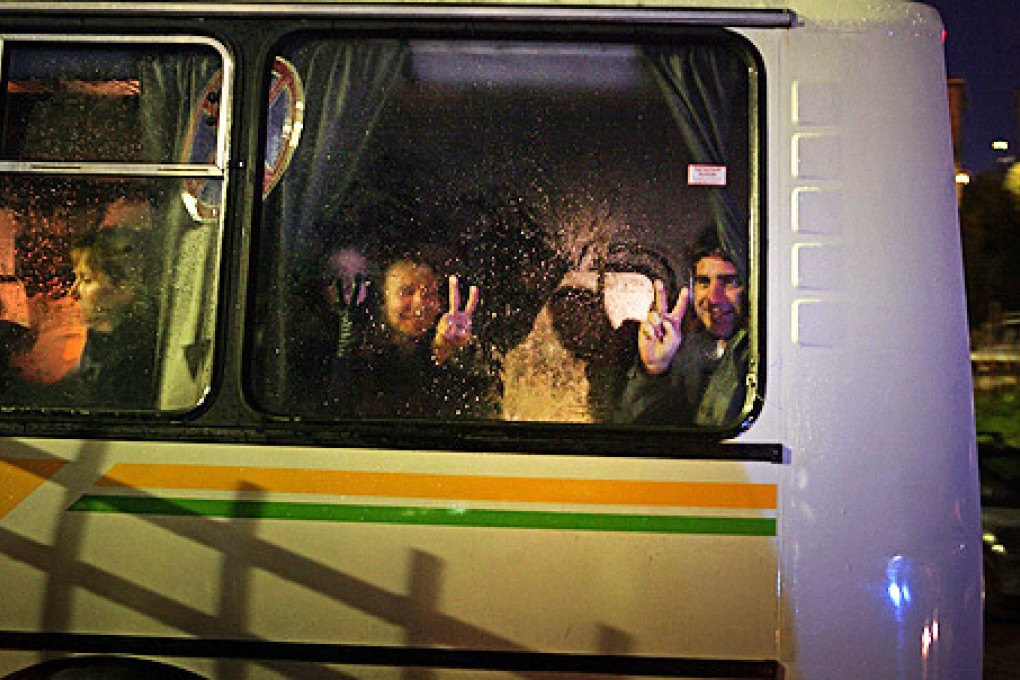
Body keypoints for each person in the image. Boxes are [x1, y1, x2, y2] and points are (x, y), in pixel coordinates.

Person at [329, 255, 499, 418]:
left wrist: (451, 350)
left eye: (429, 294)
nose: (420, 303)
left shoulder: (446, 345)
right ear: (383, 300)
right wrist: (347, 352)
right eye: (406, 291)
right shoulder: (363, 352)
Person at [613, 245, 749, 427]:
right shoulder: (686, 352)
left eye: (730, 282)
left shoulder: (759, 354)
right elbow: (634, 435)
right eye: (704, 282)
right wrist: (653, 371)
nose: (713, 298)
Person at [67, 227, 159, 408]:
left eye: (86, 279)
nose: (73, 292)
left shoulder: (136, 358)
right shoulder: (104, 341)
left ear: (125, 287)